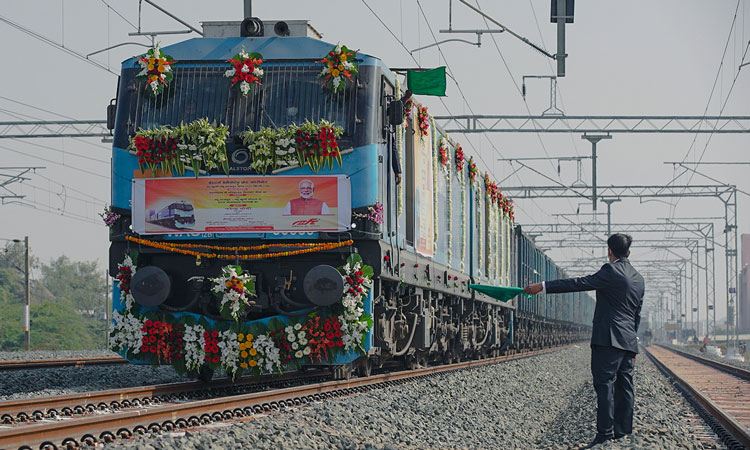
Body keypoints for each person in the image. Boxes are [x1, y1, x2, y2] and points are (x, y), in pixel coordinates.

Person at [523, 233, 645, 448]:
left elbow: (579, 283)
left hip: (608, 339)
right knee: (625, 386)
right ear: (629, 252)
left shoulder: (611, 271)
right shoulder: (638, 278)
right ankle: (623, 431)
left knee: (604, 385)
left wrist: (542, 286)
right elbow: (637, 314)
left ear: (609, 251)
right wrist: (631, 339)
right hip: (627, 340)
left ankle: (605, 434)